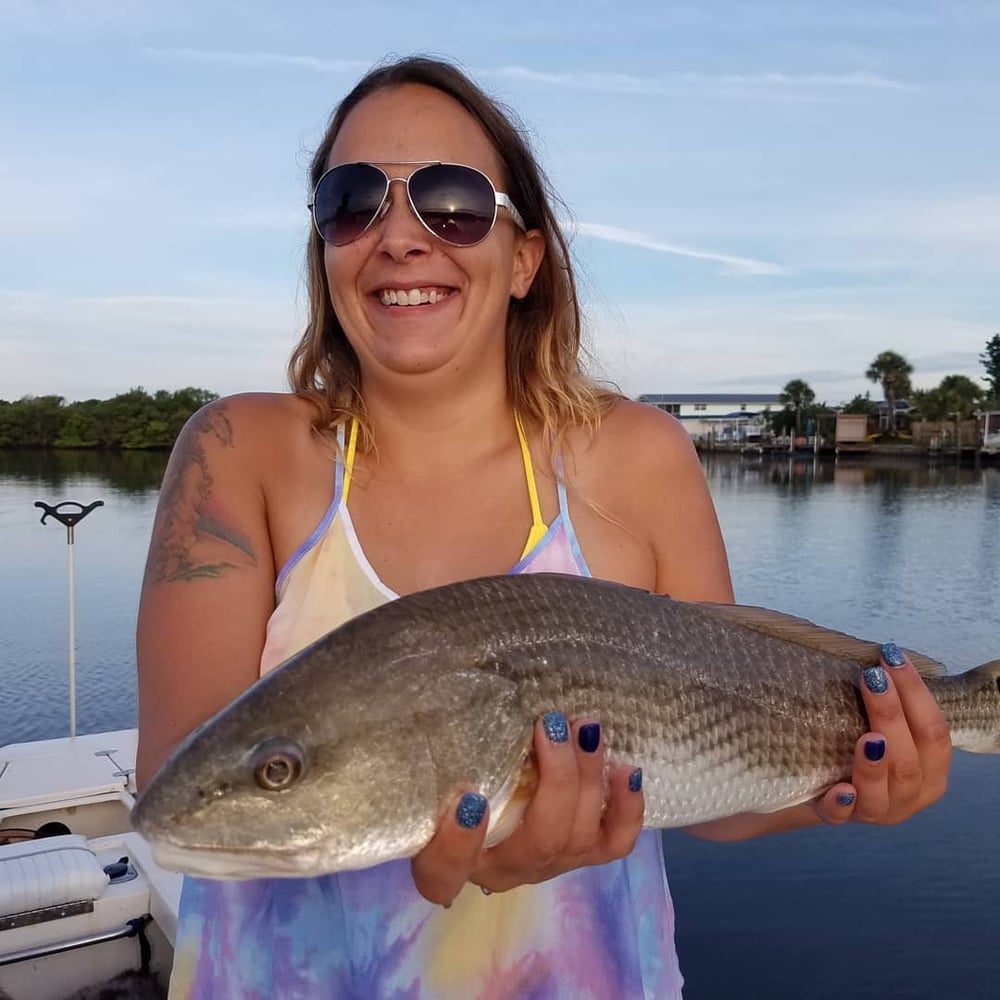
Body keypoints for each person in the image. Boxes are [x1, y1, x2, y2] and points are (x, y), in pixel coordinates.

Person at [135, 56, 953, 999]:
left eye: (452, 202)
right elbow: (182, 794)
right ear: (323, 245)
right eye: (353, 200)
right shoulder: (236, 448)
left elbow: (712, 786)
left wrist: (854, 785)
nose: (400, 237)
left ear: (524, 258)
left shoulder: (640, 457)